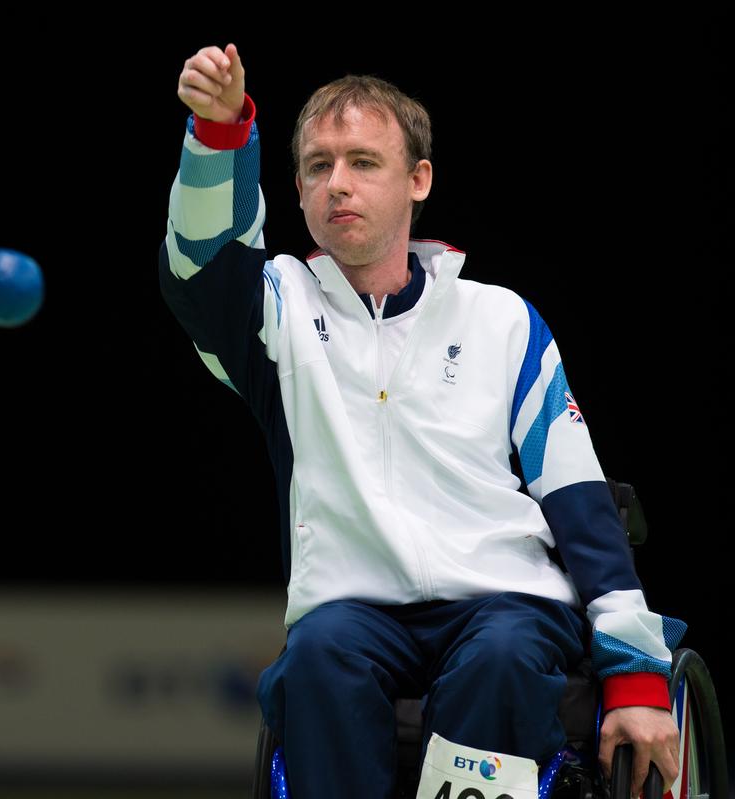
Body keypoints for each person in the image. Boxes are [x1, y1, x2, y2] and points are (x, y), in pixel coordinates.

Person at [160, 43, 682, 797]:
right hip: (351, 609)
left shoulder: (502, 318)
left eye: (363, 162)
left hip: (505, 602)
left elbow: (580, 502)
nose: (337, 183)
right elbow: (200, 264)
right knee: (315, 660)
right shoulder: (277, 309)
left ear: (418, 180)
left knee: (500, 658)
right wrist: (219, 133)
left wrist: (636, 677)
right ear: (298, 190)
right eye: (317, 166)